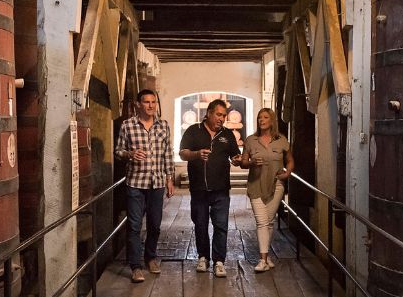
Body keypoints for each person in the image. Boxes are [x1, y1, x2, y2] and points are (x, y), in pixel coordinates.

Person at [114, 89, 174, 283]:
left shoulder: (163, 126)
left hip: (156, 183)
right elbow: (118, 151)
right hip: (135, 183)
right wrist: (130, 154)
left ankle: (150, 257)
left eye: (153, 102)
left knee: (155, 225)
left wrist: (169, 178)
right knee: (134, 225)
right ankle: (135, 266)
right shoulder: (128, 125)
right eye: (146, 102)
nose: (150, 105)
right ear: (139, 104)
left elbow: (167, 153)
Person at [178, 99, 241, 278]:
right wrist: (196, 154)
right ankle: (203, 257)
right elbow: (183, 153)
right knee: (200, 224)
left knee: (221, 225)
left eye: (224, 116)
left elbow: (235, 155)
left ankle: (219, 261)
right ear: (209, 113)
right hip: (199, 188)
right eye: (218, 114)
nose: (221, 118)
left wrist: (237, 159)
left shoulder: (227, 134)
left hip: (221, 188)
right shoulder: (193, 131)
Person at [237, 108, 293, 272]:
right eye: (259, 117)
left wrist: (287, 173)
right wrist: (252, 162)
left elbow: (290, 161)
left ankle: (266, 256)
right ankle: (262, 260)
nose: (262, 120)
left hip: (276, 186)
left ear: (272, 120)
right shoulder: (251, 140)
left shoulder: (281, 139)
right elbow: (243, 163)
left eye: (265, 117)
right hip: (256, 184)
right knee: (262, 222)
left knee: (268, 222)